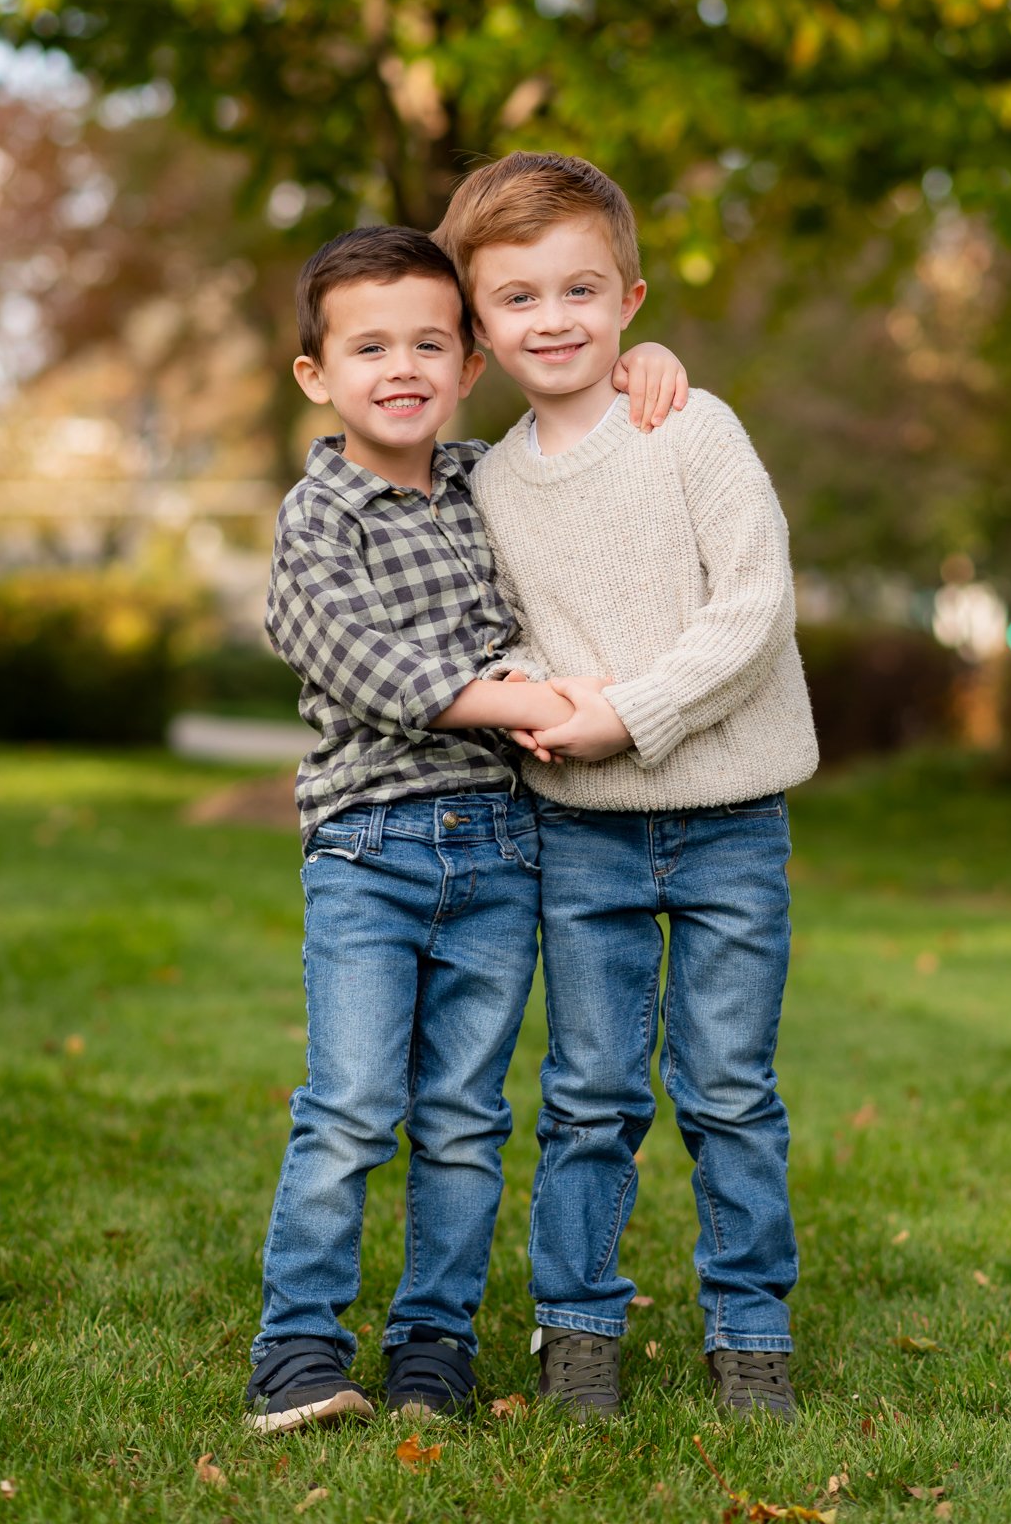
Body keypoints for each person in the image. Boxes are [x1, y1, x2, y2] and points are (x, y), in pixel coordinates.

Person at [244, 224, 687, 1434]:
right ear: (315, 375)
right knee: (347, 1105)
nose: (402, 366)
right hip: (368, 852)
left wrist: (644, 366)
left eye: (431, 342)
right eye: (370, 345)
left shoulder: (486, 480)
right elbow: (361, 659)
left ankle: (432, 1340)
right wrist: (519, 701)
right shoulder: (317, 518)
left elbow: (585, 450)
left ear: (470, 360)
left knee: (461, 1116)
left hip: (500, 850)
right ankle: (299, 1347)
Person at [434, 153, 819, 1423]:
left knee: (727, 1089)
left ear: (631, 298)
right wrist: (557, 705)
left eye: (580, 290)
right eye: (519, 298)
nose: (554, 318)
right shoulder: (485, 483)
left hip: (728, 826)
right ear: (478, 331)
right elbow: (503, 634)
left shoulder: (689, 425)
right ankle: (578, 1330)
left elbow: (753, 605)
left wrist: (627, 713)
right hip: (582, 836)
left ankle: (748, 1328)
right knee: (591, 1094)